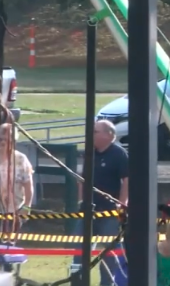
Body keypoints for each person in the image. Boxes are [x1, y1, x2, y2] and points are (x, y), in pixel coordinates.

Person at [72, 120, 129, 286]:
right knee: (79, 247)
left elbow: (127, 180)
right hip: (88, 211)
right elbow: (82, 179)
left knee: (109, 252)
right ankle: (78, 282)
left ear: (108, 135)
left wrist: (122, 204)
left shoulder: (119, 154)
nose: (91, 135)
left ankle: (107, 283)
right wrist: (81, 200)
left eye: (95, 131)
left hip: (110, 212)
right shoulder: (90, 153)